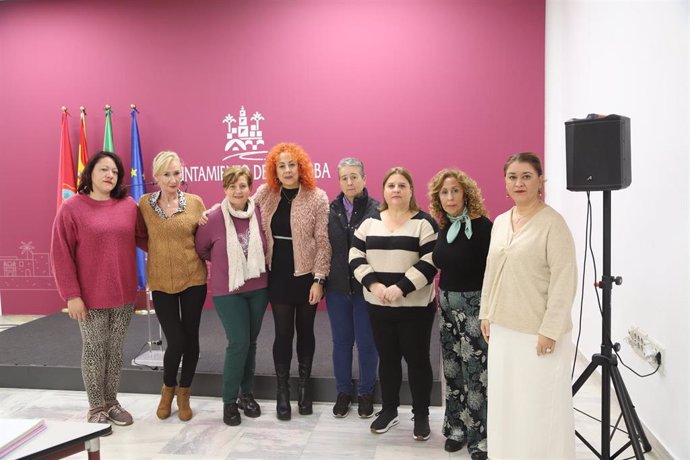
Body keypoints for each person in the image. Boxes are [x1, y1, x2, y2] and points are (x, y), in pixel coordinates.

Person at [480, 152, 577, 460]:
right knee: (507, 404)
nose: (519, 183)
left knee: (539, 407)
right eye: (512, 177)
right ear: (505, 182)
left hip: (538, 333)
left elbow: (565, 281)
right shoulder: (500, 222)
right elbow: (491, 270)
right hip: (503, 329)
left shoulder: (553, 224)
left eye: (526, 176)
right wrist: (486, 313)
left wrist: (550, 330)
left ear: (539, 181)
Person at [51, 151, 147, 427]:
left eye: (115, 172)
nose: (109, 175)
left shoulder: (128, 205)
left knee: (115, 350)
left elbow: (147, 239)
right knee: (94, 349)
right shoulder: (72, 208)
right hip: (89, 298)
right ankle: (96, 407)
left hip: (124, 294)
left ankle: (111, 401)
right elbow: (61, 254)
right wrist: (72, 295)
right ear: (90, 173)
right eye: (104, 169)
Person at [349, 166, 438, 441]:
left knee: (418, 361)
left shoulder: (424, 223)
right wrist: (375, 286)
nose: (396, 190)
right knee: (387, 360)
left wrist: (400, 289)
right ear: (384, 190)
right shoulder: (369, 222)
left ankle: (421, 414)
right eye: (391, 185)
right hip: (378, 305)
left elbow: (430, 261)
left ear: (411, 190)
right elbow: (355, 255)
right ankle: (389, 410)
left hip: (416, 308)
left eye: (402, 185)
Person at [253, 142, 331, 421]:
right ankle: (282, 393)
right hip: (278, 274)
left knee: (306, 332)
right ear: (275, 170)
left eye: (291, 164)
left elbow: (323, 242)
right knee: (283, 334)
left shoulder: (317, 197)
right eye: (281, 166)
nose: (287, 170)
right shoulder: (265, 194)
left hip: (308, 276)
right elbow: (238, 210)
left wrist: (319, 279)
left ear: (301, 167)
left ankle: (304, 390)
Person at [195, 166, 269, 426]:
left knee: (251, 343)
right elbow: (202, 249)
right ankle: (228, 401)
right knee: (238, 342)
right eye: (232, 186)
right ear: (224, 188)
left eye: (243, 185)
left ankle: (246, 395)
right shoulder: (212, 218)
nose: (238, 190)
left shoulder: (259, 212)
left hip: (258, 288)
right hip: (229, 291)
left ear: (250, 187)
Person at [139, 150, 207, 422]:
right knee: (175, 340)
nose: (172, 179)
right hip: (161, 282)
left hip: (193, 279)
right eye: (166, 174)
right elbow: (140, 236)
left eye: (177, 173)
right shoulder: (144, 204)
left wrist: (206, 222)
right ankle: (168, 388)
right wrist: (159, 253)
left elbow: (204, 238)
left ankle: (184, 393)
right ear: (156, 177)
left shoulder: (195, 202)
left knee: (191, 339)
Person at [428, 169, 492, 459]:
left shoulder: (483, 227)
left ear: (466, 193)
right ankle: (456, 429)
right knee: (452, 371)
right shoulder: (444, 226)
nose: (450, 197)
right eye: (444, 192)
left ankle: (479, 438)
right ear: (438, 197)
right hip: (447, 306)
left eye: (455, 191)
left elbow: (493, 273)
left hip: (474, 306)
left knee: (476, 375)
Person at [326, 157, 379, 419]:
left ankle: (367, 392)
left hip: (366, 290)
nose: (349, 181)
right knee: (342, 343)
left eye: (354, 176)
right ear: (339, 181)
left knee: (367, 344)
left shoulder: (377, 209)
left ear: (364, 179)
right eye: (344, 177)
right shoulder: (331, 209)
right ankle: (344, 392)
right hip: (337, 289)